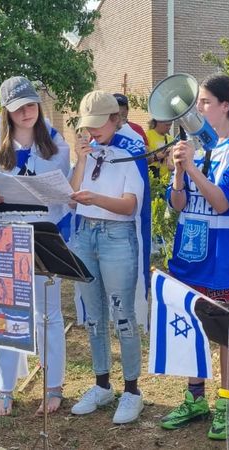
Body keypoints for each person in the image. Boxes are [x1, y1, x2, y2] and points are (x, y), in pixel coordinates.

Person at [160, 74, 229, 440]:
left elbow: (222, 203)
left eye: (203, 102)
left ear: (225, 106)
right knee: (193, 328)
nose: (196, 109)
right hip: (190, 250)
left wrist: (195, 168)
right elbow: (178, 204)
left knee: (224, 333)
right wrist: (179, 173)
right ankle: (195, 397)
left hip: (224, 256)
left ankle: (226, 405)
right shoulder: (190, 145)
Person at [0, 76, 72, 417]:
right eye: (18, 108)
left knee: (47, 312)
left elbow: (63, 194)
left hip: (41, 232)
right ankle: (4, 387)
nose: (27, 113)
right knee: (3, 309)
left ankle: (54, 384)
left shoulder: (55, 143)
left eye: (31, 105)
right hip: (3, 232)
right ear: (7, 112)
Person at [68, 90, 150, 424]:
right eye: (87, 125)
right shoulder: (88, 150)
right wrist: (82, 160)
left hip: (117, 236)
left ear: (115, 119)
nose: (92, 131)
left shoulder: (131, 151)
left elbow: (131, 205)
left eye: (98, 124)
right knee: (93, 315)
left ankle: (132, 390)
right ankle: (102, 383)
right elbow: (72, 198)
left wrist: (97, 199)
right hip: (86, 234)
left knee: (122, 315)